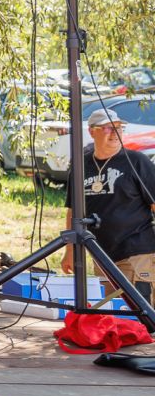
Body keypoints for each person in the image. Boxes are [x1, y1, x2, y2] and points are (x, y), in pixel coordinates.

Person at [62, 108, 155, 303]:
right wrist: (69, 251)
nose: (115, 133)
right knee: (110, 313)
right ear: (91, 131)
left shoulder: (137, 161)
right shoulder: (81, 166)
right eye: (107, 128)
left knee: (139, 312)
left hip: (136, 251)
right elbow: (73, 211)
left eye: (119, 128)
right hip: (101, 254)